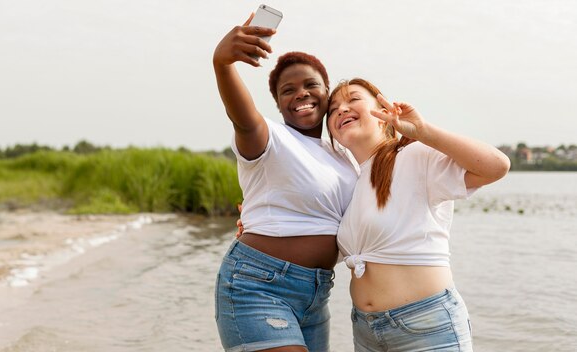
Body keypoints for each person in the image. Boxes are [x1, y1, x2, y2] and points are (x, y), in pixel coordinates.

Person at [326, 78, 510, 351]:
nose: (341, 109)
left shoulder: (414, 155)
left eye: (353, 99)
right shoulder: (350, 184)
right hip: (366, 332)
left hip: (426, 326)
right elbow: (327, 251)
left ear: (382, 115)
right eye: (333, 108)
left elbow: (496, 166)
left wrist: (423, 131)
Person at [212, 14, 358, 352]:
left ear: (328, 92)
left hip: (316, 295)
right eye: (287, 90)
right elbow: (243, 119)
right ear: (277, 103)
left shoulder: (344, 156)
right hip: (257, 287)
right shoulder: (269, 137)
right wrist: (222, 65)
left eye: (310, 85)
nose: (301, 94)